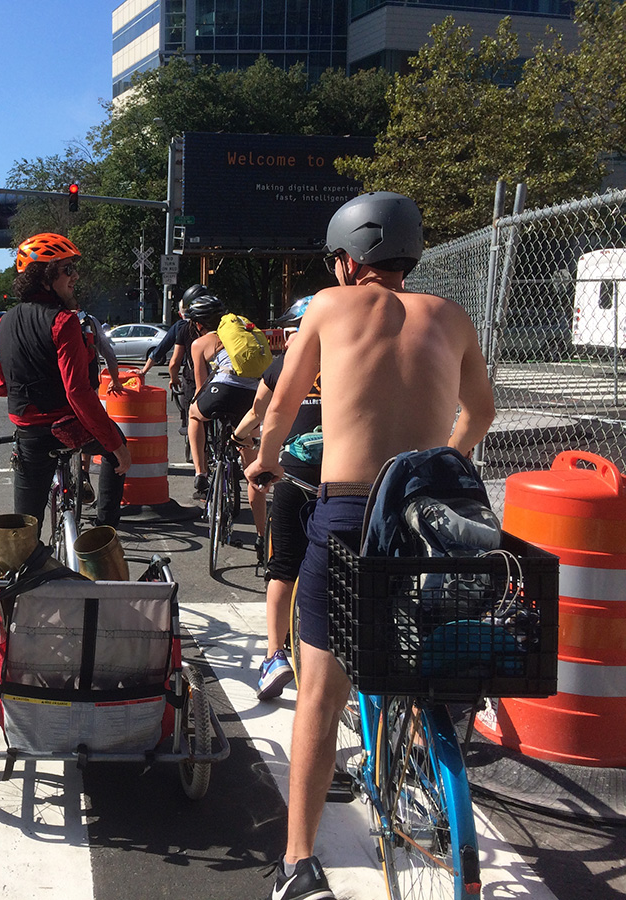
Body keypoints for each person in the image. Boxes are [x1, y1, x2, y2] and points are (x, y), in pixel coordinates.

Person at [244, 191, 495, 900]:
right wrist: (438, 462)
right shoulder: (452, 316)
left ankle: (298, 864)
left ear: (350, 259)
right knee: (410, 646)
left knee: (321, 693)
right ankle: (418, 765)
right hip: (426, 513)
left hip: (350, 511)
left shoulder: (328, 306)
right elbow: (481, 412)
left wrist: (266, 459)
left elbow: (283, 405)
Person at [0, 233, 131, 532]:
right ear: (44, 277)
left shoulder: (4, 323)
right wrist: (115, 444)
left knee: (24, 531)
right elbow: (78, 393)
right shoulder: (63, 321)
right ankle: (104, 535)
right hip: (66, 428)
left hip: (29, 433)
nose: (75, 276)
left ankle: (28, 556)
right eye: (68, 269)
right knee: (117, 447)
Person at [232, 296, 319, 700]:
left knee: (283, 567)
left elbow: (260, 411)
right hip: (348, 475)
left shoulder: (285, 364)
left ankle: (274, 655)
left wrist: (241, 438)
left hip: (296, 472)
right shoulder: (351, 358)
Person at [184, 295, 265, 549]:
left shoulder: (200, 343)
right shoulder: (238, 335)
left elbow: (200, 388)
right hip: (252, 397)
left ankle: (200, 472)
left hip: (223, 391)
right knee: (252, 472)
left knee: (194, 413)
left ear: (198, 324)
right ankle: (262, 537)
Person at [138, 284, 205, 462]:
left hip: (192, 378)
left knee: (192, 414)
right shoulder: (219, 325)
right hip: (219, 378)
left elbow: (164, 354)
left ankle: (199, 462)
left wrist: (145, 371)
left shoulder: (182, 327)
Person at [78, 309, 125, 503]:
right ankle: (84, 475)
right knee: (90, 429)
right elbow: (108, 353)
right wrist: (115, 379)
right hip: (86, 387)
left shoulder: (43, 318)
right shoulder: (89, 321)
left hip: (52, 393)